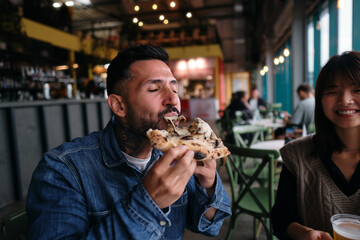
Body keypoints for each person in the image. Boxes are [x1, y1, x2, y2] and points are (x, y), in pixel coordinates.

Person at [26, 45, 231, 239]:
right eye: (154, 89)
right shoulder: (62, 171)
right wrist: (148, 202)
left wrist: (209, 185)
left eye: (175, 89)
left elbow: (208, 226)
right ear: (119, 105)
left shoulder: (174, 155)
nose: (173, 100)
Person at [271, 51, 360, 240]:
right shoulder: (297, 155)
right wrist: (305, 233)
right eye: (332, 91)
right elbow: (280, 220)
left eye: (357, 90)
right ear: (320, 100)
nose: (345, 100)